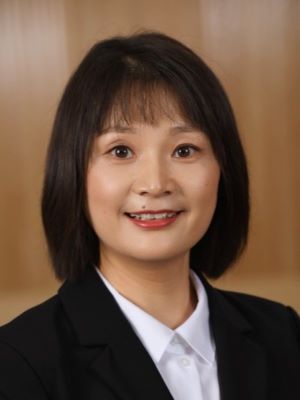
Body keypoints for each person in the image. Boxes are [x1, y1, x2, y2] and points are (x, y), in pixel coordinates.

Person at [0, 32, 299, 400]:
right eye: (121, 151)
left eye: (185, 149)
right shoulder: (18, 365)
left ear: (224, 170)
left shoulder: (284, 335)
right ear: (74, 173)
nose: (155, 184)